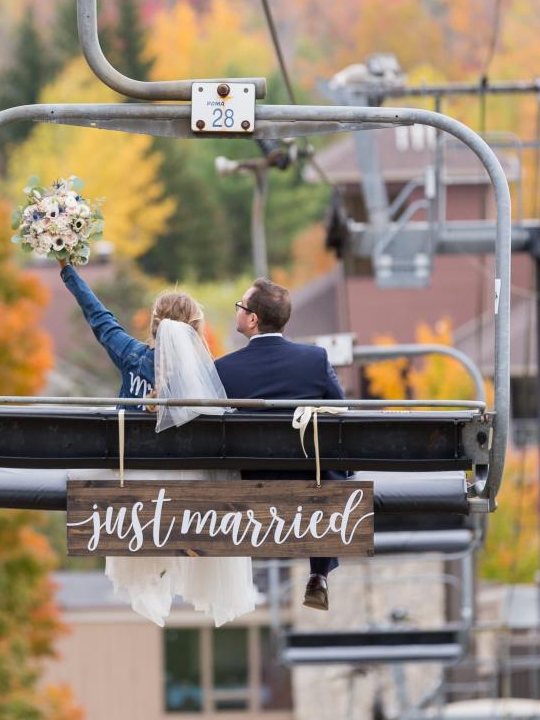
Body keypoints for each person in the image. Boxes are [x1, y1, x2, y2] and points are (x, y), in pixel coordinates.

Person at [59, 263, 256, 626]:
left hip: (132, 486)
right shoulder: (205, 383)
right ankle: (182, 552)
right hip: (189, 495)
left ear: (153, 325)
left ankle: (158, 561)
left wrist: (67, 270)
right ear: (196, 330)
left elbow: (99, 317)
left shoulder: (131, 356)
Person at [215, 277, 346, 612]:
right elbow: (343, 413)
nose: (238, 312)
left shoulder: (224, 370)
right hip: (307, 479)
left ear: (253, 319)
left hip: (247, 482)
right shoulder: (314, 360)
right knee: (329, 462)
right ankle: (320, 573)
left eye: (240, 307)